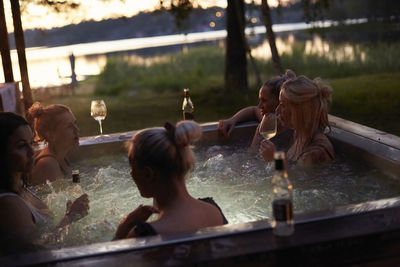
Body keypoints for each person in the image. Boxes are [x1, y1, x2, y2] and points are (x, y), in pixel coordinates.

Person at [114, 121, 228, 239]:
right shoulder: (213, 211)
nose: (131, 173)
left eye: (132, 167)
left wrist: (124, 228)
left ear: (148, 174)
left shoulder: (146, 235)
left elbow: (112, 257)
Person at [0, 112, 89, 252]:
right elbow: (37, 253)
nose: (31, 151)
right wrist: (70, 217)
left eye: (31, 143)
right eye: (21, 146)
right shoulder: (9, 205)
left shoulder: (20, 188)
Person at [259, 75, 335, 166]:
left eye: (283, 105)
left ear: (300, 110)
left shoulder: (315, 153)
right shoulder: (299, 135)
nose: (277, 110)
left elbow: (293, 180)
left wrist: (274, 160)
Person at [218, 70, 296, 150]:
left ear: (280, 101)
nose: (259, 106)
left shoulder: (296, 128)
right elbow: (253, 110)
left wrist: (273, 156)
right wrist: (232, 120)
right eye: (260, 100)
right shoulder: (267, 120)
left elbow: (292, 160)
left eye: (264, 100)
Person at [28, 102, 80, 185]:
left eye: (75, 123)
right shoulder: (48, 164)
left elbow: (76, 184)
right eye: (69, 126)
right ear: (50, 134)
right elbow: (61, 196)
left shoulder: (62, 156)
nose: (77, 130)